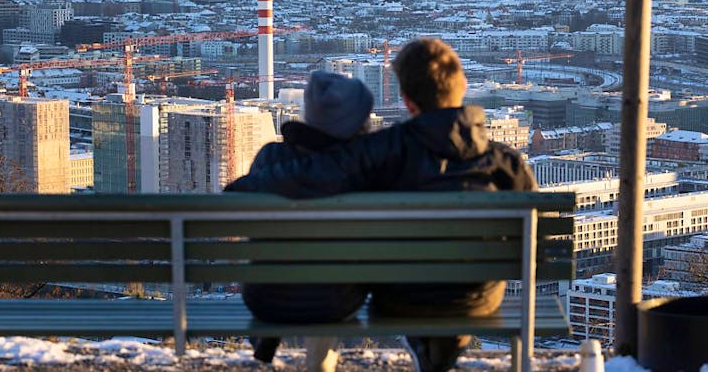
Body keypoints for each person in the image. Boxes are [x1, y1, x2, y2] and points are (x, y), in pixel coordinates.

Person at [227, 38, 538, 372]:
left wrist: (245, 187)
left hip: (403, 299)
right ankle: (441, 345)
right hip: (479, 297)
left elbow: (317, 174)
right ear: (462, 88)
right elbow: (534, 236)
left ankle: (428, 342)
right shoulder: (505, 161)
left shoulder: (385, 149)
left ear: (407, 101)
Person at [227, 71, 374, 371]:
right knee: (333, 280)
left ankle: (268, 340)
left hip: (266, 297)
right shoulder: (366, 171)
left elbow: (233, 209)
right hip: (337, 300)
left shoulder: (271, 158)